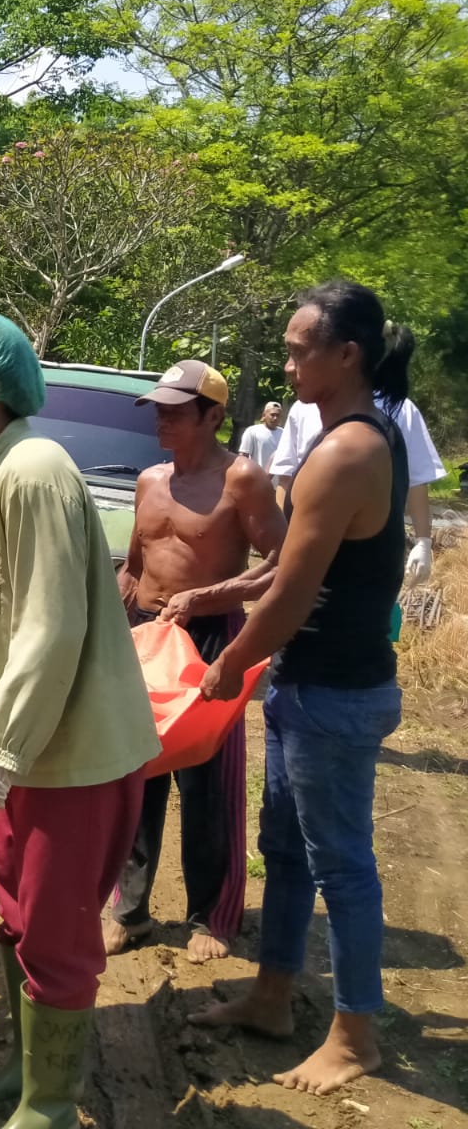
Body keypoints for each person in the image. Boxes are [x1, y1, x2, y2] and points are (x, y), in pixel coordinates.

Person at [0, 311, 159, 1129]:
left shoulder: (34, 470)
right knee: (16, 910)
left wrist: (2, 749)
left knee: (55, 932)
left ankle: (51, 1104)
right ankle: (27, 1073)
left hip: (70, 752)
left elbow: (49, 628)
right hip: (27, 750)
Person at [193, 281, 413, 1096]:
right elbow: (285, 566)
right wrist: (215, 597)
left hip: (334, 692)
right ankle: (273, 995)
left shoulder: (351, 449)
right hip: (306, 685)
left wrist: (230, 663)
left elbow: (292, 593)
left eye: (297, 349)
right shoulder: (334, 438)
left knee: (342, 864)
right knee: (283, 849)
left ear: (346, 354)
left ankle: (357, 1034)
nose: (286, 363)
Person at [104, 361, 286, 963]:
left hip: (209, 638)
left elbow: (282, 565)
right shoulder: (149, 479)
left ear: (213, 416)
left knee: (210, 782)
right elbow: (134, 561)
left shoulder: (244, 480)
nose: (162, 420)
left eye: (177, 411)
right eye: (159, 409)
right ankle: (129, 911)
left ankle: (214, 915)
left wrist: (209, 596)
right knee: (137, 773)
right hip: (147, 636)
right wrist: (113, 612)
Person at [270, 391, 443, 585]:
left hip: (376, 544)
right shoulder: (305, 407)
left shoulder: (401, 408)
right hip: (307, 540)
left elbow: (417, 479)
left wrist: (423, 542)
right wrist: (281, 536)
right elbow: (285, 476)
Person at [238, 401, 283, 473]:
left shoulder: (284, 434)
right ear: (264, 415)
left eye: (278, 415)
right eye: (272, 415)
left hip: (277, 481)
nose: (275, 418)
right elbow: (243, 456)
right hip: (257, 478)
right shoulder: (252, 431)